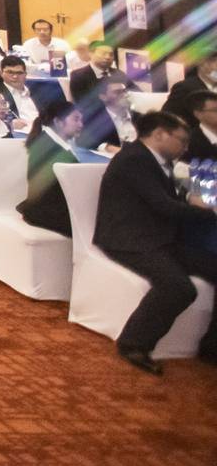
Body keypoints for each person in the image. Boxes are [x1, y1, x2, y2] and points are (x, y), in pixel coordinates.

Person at [88, 111, 217, 373]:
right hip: (130, 239)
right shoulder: (134, 159)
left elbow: (165, 201)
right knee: (178, 288)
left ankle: (211, 346)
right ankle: (133, 344)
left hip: (159, 237)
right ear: (159, 134)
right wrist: (209, 212)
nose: (185, 147)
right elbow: (163, 205)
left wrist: (193, 203)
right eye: (181, 140)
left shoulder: (153, 159)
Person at [18, 103, 91, 235]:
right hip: (49, 214)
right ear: (58, 122)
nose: (81, 124)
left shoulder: (47, 141)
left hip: (46, 208)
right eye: (76, 119)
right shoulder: (50, 150)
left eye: (81, 119)